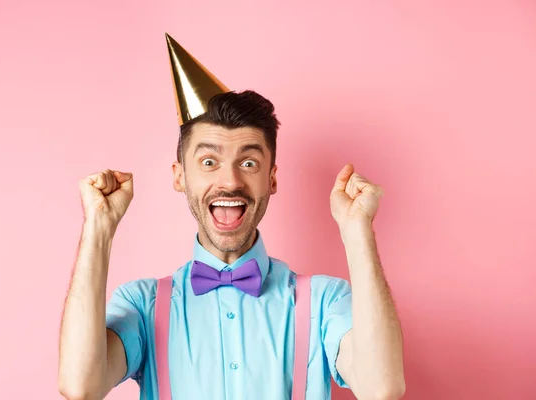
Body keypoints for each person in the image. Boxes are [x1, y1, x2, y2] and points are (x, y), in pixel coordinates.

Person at [58, 34, 405, 400]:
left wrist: (358, 232)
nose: (230, 181)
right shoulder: (142, 305)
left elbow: (381, 386)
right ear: (180, 176)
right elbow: (81, 385)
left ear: (271, 178)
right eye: (209, 162)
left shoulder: (325, 300)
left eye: (249, 162)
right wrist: (98, 228)